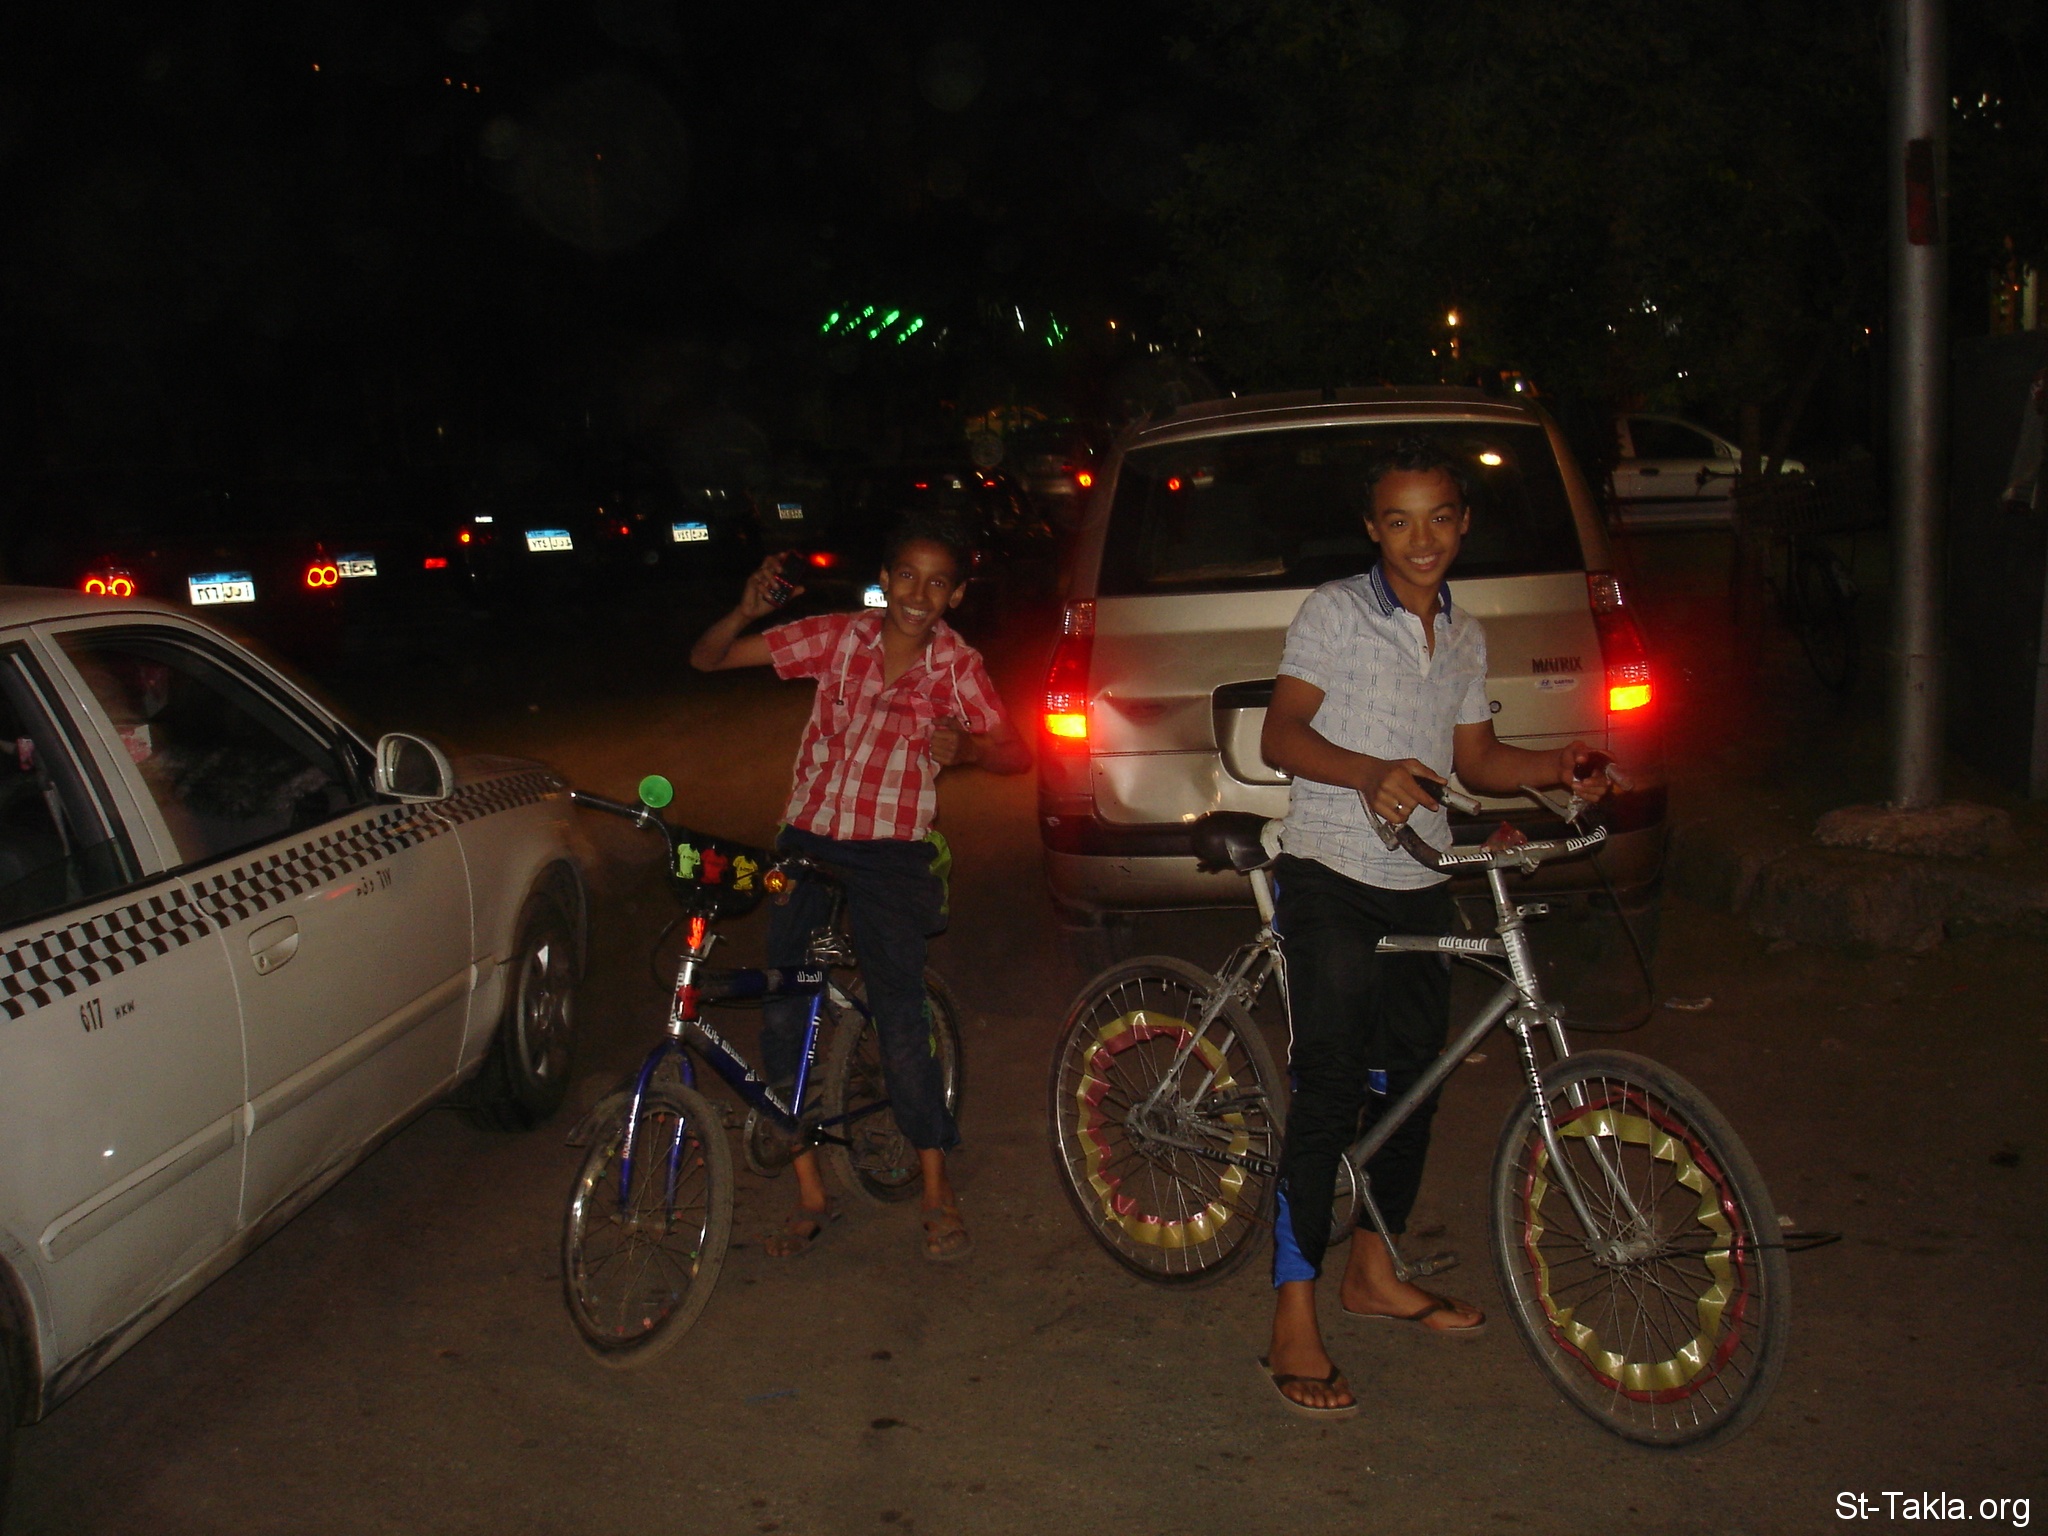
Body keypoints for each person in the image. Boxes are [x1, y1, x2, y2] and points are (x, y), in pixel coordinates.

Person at [1255, 438, 1616, 1418]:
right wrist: (1367, 771)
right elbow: (1280, 734)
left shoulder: (1462, 632)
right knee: (1330, 1082)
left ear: (1462, 522)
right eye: (1399, 521)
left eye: (1440, 518)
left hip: (1420, 873)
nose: (1421, 539)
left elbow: (1478, 760)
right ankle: (1293, 1311)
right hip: (1330, 870)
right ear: (1373, 529)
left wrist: (1555, 767)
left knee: (1413, 1081)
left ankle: (1373, 1273)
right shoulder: (1334, 611)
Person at [689, 513, 1031, 1261]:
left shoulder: (958, 667)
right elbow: (708, 659)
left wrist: (971, 750)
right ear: (885, 579)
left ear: (955, 595)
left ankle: (937, 1190)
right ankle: (812, 1192)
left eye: (937, 583)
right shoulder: (837, 637)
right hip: (808, 842)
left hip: (892, 855)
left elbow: (1016, 751)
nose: (918, 594)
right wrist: (745, 611)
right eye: (906, 575)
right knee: (784, 1009)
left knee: (899, 1019)